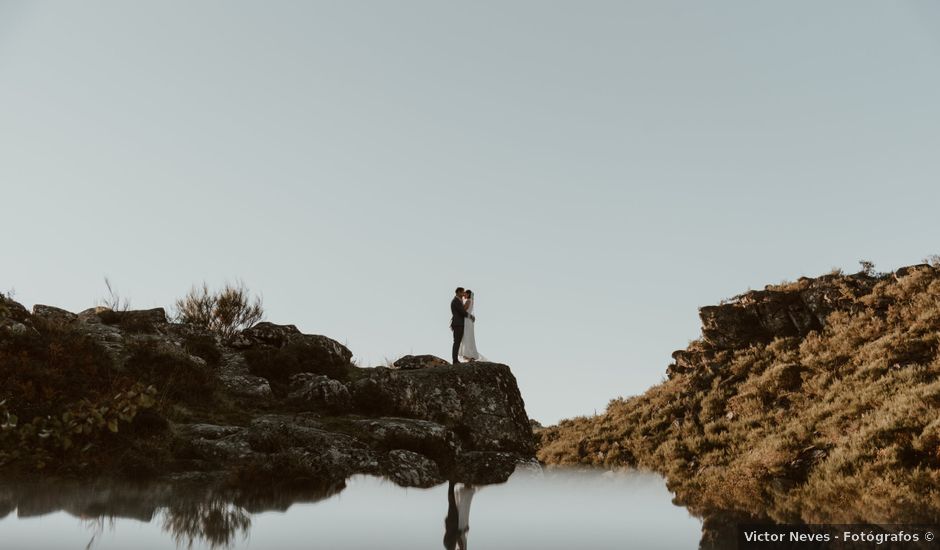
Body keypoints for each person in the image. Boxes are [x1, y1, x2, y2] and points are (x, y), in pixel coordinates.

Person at [458, 290, 486, 362]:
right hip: (469, 320)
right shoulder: (471, 301)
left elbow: (464, 309)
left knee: (466, 336)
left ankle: (468, 355)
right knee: (469, 337)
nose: (464, 295)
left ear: (468, 294)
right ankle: (470, 355)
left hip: (467, 320)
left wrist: (460, 304)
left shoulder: (468, 301)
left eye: (465, 294)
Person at [450, 287, 473, 365]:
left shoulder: (459, 301)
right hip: (458, 324)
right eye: (462, 292)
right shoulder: (455, 301)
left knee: (458, 342)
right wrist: (470, 316)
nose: (463, 294)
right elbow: (462, 311)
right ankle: (455, 360)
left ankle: (457, 359)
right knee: (456, 342)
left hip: (460, 323)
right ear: (458, 292)